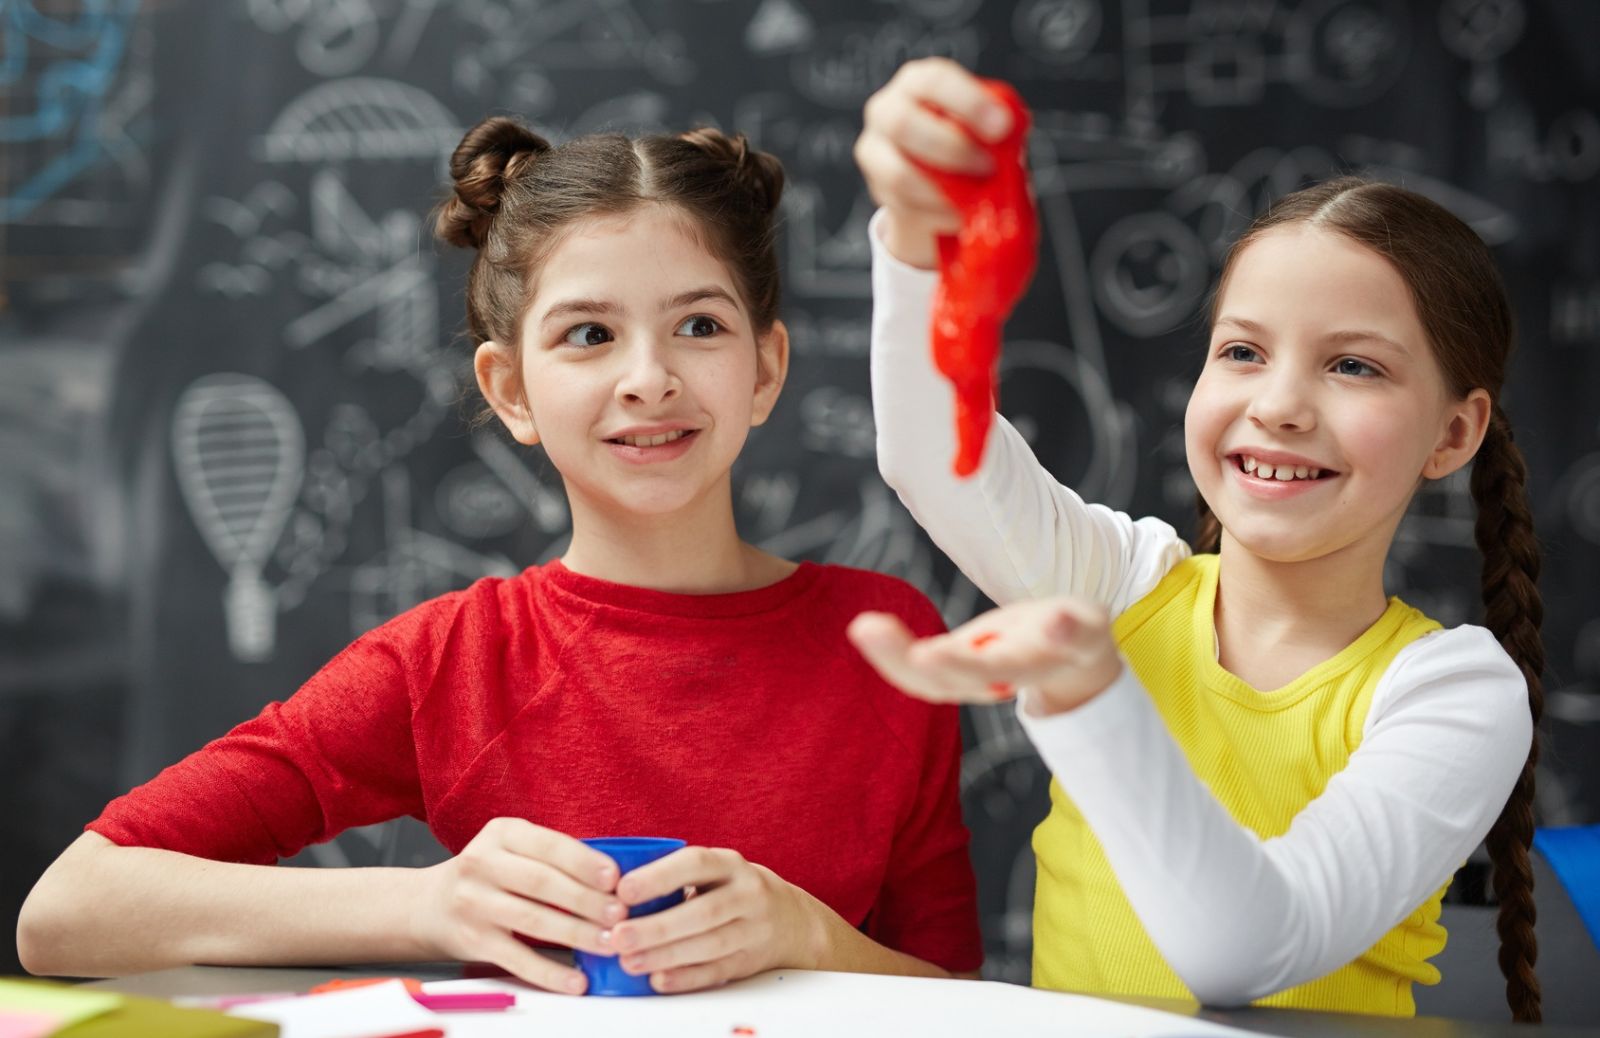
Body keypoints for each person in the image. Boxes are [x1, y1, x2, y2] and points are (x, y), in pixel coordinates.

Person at [17, 115, 983, 993]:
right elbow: (66, 912)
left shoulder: (887, 637)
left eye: (698, 326)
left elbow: (959, 997)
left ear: (765, 368)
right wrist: (426, 904)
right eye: (589, 335)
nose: (649, 378)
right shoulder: (450, 663)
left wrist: (807, 936)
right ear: (510, 388)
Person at [846, 58, 1541, 1021]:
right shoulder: (1125, 586)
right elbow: (933, 452)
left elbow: (1246, 952)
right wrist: (918, 243)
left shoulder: (1454, 692)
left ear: (1454, 434)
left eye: (1352, 365)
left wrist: (1091, 697)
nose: (1280, 405)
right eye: (1243, 352)